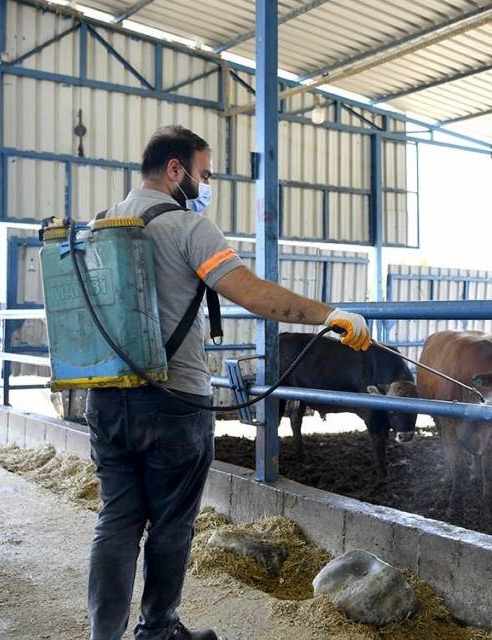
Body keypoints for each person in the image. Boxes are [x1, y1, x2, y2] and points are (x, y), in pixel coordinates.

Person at [85, 125, 371, 640]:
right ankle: (158, 630)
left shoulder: (101, 225)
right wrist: (330, 314)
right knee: (171, 523)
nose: (207, 184)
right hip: (174, 404)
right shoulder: (188, 227)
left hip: (107, 400)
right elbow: (254, 295)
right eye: (205, 173)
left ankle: (103, 636)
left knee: (118, 520)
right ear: (176, 170)